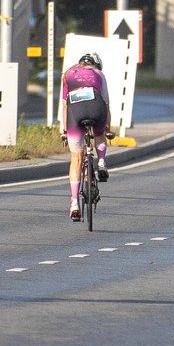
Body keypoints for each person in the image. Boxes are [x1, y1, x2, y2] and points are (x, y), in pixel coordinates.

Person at [60, 50, 111, 222]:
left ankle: (74, 203)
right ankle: (102, 162)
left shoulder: (67, 75)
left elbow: (65, 106)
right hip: (96, 108)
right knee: (99, 132)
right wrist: (107, 127)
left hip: (75, 112)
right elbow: (106, 102)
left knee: (76, 157)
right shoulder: (99, 74)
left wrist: (63, 131)